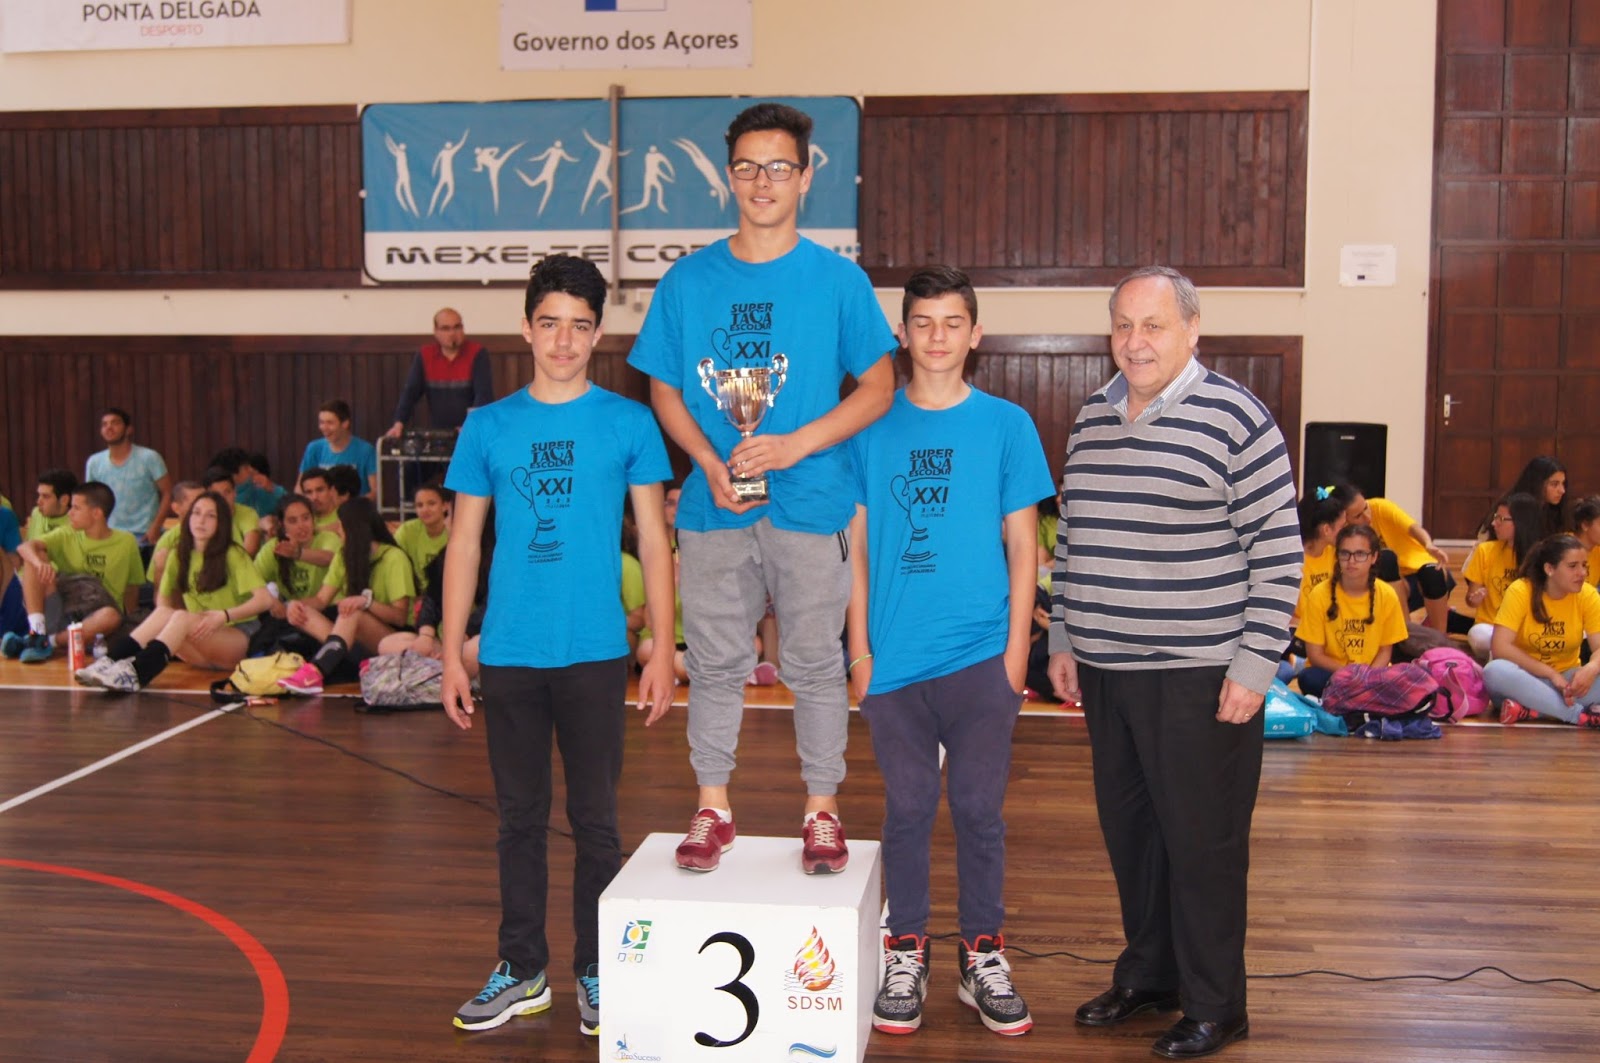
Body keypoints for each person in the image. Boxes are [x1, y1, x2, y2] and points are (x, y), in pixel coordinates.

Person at [627, 101, 897, 873]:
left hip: (813, 502)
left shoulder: (838, 281)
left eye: (779, 166)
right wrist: (708, 462)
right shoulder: (688, 280)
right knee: (715, 661)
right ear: (728, 176)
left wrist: (793, 445)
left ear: (806, 177)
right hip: (715, 504)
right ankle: (713, 805)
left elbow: (879, 387)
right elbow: (665, 389)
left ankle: (822, 809)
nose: (763, 181)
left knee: (814, 663)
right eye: (747, 167)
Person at [1048, 266, 1300, 1061]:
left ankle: (1217, 1003)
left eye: (1153, 324)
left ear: (1192, 329)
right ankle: (1151, 975)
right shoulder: (1091, 417)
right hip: (1106, 670)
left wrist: (1254, 666)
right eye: (1123, 325)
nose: (1135, 341)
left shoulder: (1237, 418)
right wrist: (1063, 636)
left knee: (1202, 844)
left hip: (1200, 673)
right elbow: (1075, 539)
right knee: (1134, 838)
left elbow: (1279, 551)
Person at [439, 254, 676, 1037]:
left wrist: (661, 647)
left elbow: (654, 538)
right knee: (518, 818)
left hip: (596, 652)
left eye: (579, 325)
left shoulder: (628, 422)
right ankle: (522, 967)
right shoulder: (488, 425)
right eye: (550, 323)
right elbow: (464, 544)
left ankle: (598, 968)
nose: (564, 340)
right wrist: (451, 651)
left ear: (598, 333)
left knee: (596, 820)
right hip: (509, 651)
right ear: (526, 328)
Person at [846, 266, 1052, 1038]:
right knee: (906, 807)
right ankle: (906, 950)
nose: (937, 336)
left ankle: (981, 955)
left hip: (981, 658)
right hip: (895, 662)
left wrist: (1015, 653)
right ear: (902, 334)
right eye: (923, 322)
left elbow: (1025, 547)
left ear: (976, 333)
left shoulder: (1008, 426)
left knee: (976, 808)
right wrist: (859, 651)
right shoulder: (869, 425)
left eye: (952, 322)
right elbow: (856, 547)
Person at [76, 490, 272, 692]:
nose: (201, 521)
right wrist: (169, 618)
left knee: (181, 617)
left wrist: (223, 615)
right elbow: (163, 602)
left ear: (221, 523)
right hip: (202, 645)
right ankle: (109, 661)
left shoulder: (233, 554)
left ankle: (136, 673)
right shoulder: (179, 554)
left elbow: (265, 600)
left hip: (238, 638)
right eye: (196, 513)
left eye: (210, 516)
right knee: (166, 613)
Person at [277, 496, 416, 695]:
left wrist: (367, 602)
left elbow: (399, 617)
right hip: (353, 639)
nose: (337, 532)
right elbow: (321, 600)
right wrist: (295, 604)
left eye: (341, 527)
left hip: (392, 638)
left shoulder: (394, 557)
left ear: (354, 529)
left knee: (353, 613)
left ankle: (316, 671)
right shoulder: (344, 556)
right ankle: (341, 658)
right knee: (303, 612)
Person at [2, 482, 145, 665]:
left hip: (98, 618)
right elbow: (24, 547)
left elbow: (132, 588)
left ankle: (46, 642)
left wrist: (131, 620)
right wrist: (39, 563)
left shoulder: (126, 542)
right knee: (35, 557)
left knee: (111, 616)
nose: (70, 513)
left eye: (76, 508)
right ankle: (36, 632)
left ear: (96, 513)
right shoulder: (66, 533)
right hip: (64, 608)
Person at [1484, 535, 1600, 727]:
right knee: (1494, 671)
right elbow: (1500, 647)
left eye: (1584, 565)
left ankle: (1533, 710)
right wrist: (1551, 675)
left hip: (1569, 683)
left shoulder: (1588, 595)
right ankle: (1576, 715)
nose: (1582, 573)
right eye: (1573, 566)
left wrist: (1592, 668)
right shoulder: (1521, 590)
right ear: (1549, 569)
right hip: (1524, 679)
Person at [1293, 525, 1409, 697]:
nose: (1351, 561)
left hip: (1372, 673)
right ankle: (1359, 698)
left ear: (1374, 557)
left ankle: (1354, 697)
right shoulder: (1319, 594)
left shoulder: (1387, 595)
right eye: (1345, 554)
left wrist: (1366, 678)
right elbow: (1315, 655)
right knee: (1308, 678)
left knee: (1399, 680)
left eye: (1360, 554)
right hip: (1333, 672)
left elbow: (1385, 651)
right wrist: (1351, 675)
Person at [1344, 488, 1453, 632]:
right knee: (1386, 561)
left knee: (1432, 573)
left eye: (1366, 508)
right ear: (1344, 520)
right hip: (1387, 585)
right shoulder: (1342, 537)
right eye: (1358, 516)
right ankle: (1405, 634)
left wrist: (1428, 544)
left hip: (1418, 573)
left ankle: (1439, 637)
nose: (1367, 517)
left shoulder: (1380, 507)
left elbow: (1413, 527)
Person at [386, 308, 495, 437]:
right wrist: (399, 423)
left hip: (472, 431)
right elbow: (410, 393)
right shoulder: (425, 355)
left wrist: (471, 426)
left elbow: (483, 395)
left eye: (457, 327)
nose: (452, 333)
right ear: (436, 332)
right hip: (438, 433)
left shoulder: (477, 353)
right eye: (445, 328)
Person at [1462, 491, 1541, 659]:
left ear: (1521, 522)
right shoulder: (1485, 551)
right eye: (1495, 517)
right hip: (1491, 627)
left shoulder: (1541, 555)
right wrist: (1474, 599)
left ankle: (1506, 658)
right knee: (1478, 635)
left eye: (1501, 519)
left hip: (1526, 630)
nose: (1493, 523)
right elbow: (1470, 600)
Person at [84, 406, 172, 548]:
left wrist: (156, 527)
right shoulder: (94, 462)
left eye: (115, 423)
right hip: (110, 535)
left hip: (145, 536)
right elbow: (90, 500)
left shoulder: (149, 457)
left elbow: (167, 492)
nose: (109, 427)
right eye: (104, 424)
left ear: (129, 429)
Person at [253, 494, 341, 610]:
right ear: (281, 524)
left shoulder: (328, 538)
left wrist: (298, 554)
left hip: (330, 609)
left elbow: (330, 558)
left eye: (306, 518)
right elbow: (252, 581)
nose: (301, 526)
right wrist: (271, 600)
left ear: (313, 519)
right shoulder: (275, 547)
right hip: (291, 611)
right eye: (293, 521)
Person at [297, 399, 378, 497]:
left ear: (345, 424)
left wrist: (354, 504)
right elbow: (300, 487)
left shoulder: (366, 450)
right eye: (321, 422)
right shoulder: (314, 448)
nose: (324, 428)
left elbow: (376, 491)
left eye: (330, 423)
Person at [147, 481, 206, 591]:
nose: (201, 510)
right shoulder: (167, 541)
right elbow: (159, 590)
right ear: (176, 508)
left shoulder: (221, 532)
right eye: (194, 505)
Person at [393, 482, 452, 592]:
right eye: (419, 505)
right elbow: (394, 562)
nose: (425, 509)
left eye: (431, 503)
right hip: (416, 594)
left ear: (445, 506)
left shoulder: (454, 531)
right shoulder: (407, 531)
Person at [203, 467, 264, 558]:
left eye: (227, 492)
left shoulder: (248, 513)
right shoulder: (201, 517)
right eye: (217, 495)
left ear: (235, 492)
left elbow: (249, 552)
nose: (223, 499)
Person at [1507, 454, 1570, 539]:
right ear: (1537, 483)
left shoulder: (1554, 511)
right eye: (1554, 484)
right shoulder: (1510, 508)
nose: (1562, 490)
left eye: (1563, 483)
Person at [25, 468, 77, 541]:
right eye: (39, 495)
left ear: (64, 500)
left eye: (45, 496)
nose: (38, 501)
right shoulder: (36, 513)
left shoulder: (77, 522)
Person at [237, 451, 288, 525]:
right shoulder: (240, 488)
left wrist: (271, 488)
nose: (254, 478)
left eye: (256, 474)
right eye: (250, 474)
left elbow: (289, 505)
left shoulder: (275, 490)